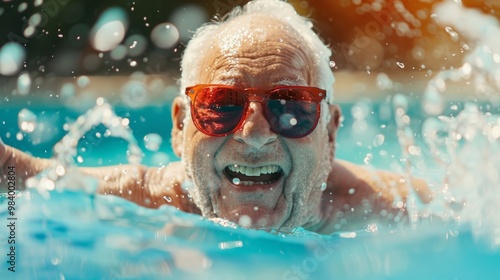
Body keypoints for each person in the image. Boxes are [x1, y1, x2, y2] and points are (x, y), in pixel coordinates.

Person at [0, 0, 431, 233]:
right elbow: (18, 176)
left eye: (291, 106)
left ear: (332, 133)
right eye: (221, 104)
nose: (255, 133)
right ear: (178, 126)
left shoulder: (394, 211)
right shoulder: (151, 200)